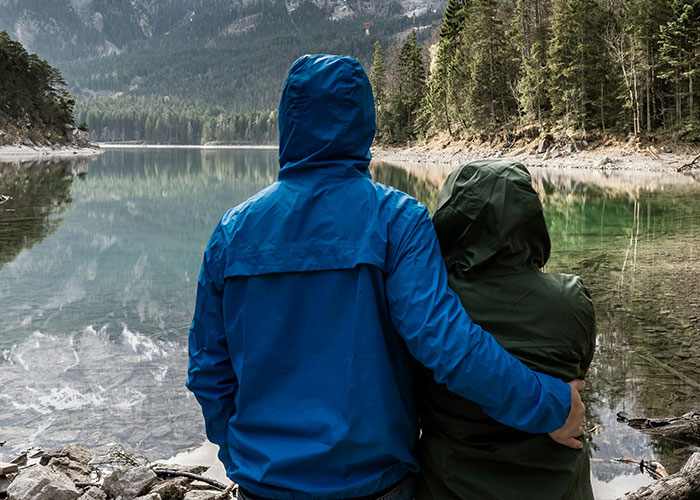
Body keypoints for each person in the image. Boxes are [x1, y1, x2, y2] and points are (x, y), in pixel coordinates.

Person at [186, 55, 585, 500]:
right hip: (374, 485)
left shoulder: (232, 231)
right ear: (365, 123)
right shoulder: (398, 219)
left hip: (263, 486)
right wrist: (551, 405)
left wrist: (244, 453)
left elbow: (207, 371)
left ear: (288, 120)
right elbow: (448, 347)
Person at [415, 160, 596, 500]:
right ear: (530, 218)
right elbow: (578, 377)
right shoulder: (571, 300)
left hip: (450, 487)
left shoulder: (430, 307)